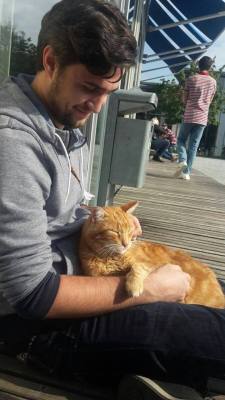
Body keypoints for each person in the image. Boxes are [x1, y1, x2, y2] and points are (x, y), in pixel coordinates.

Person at [0, 2, 225, 399]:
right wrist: (152, 289)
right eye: (89, 87)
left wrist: (111, 219)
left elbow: (69, 204)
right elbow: (32, 295)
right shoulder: (13, 144)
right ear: (50, 60)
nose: (98, 106)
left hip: (91, 275)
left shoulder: (65, 119)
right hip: (39, 328)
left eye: (108, 92)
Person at [175, 56, 216, 180]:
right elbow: (210, 100)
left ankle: (182, 159)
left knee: (181, 140)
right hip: (202, 117)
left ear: (198, 65)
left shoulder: (191, 79)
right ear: (210, 67)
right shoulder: (213, 82)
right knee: (193, 146)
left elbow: (184, 99)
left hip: (189, 115)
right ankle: (186, 173)